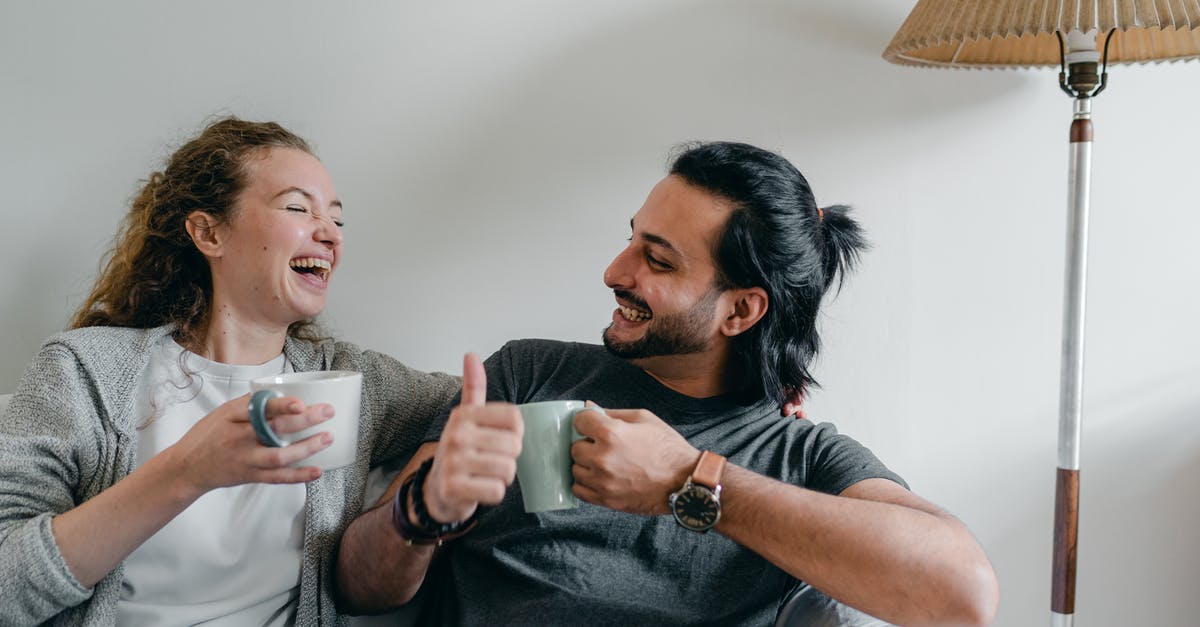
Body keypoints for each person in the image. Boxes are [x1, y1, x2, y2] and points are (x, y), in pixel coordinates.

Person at [335, 142, 1000, 626]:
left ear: (741, 310)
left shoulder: (801, 458)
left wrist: (690, 481)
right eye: (632, 240)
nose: (613, 271)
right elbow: (358, 585)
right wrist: (422, 510)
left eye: (656, 260)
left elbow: (963, 593)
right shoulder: (528, 375)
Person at [0, 117, 460, 625]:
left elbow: (498, 395)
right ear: (209, 232)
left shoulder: (354, 381)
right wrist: (187, 472)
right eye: (297, 208)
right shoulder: (83, 371)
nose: (329, 235)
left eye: (336, 220)